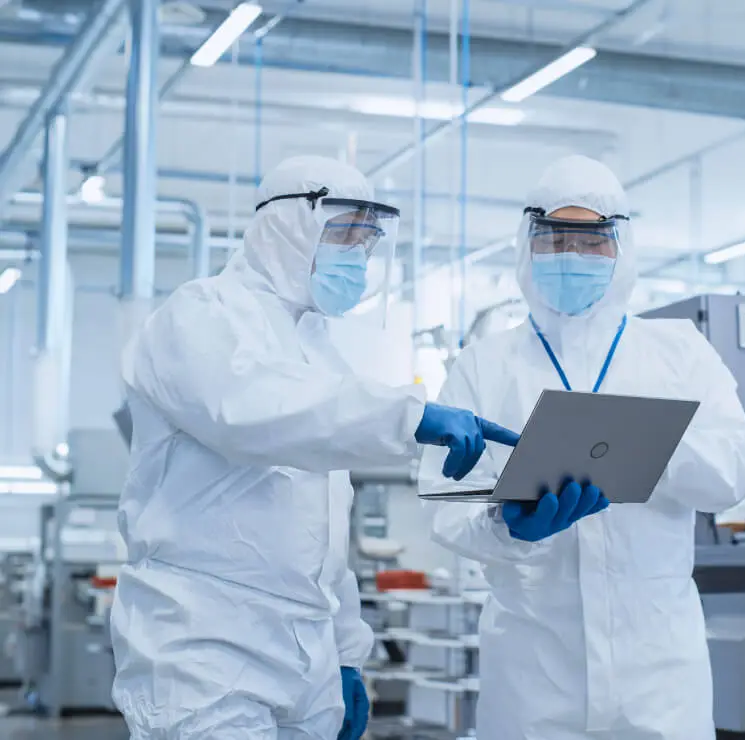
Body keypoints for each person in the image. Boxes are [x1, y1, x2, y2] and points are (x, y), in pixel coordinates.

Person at [110, 155, 517, 739]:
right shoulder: (201, 313)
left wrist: (347, 651)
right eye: (343, 233)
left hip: (307, 656)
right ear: (285, 224)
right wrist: (412, 413)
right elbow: (249, 410)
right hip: (203, 644)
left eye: (367, 241)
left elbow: (320, 532)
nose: (357, 255)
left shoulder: (320, 351)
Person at [419, 154, 745, 739]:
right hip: (534, 675)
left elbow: (737, 470)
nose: (572, 256)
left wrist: (645, 446)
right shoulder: (485, 364)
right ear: (528, 243)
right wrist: (507, 527)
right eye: (556, 238)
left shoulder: (678, 353)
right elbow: (440, 505)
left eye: (592, 240)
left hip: (658, 677)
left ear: (621, 246)